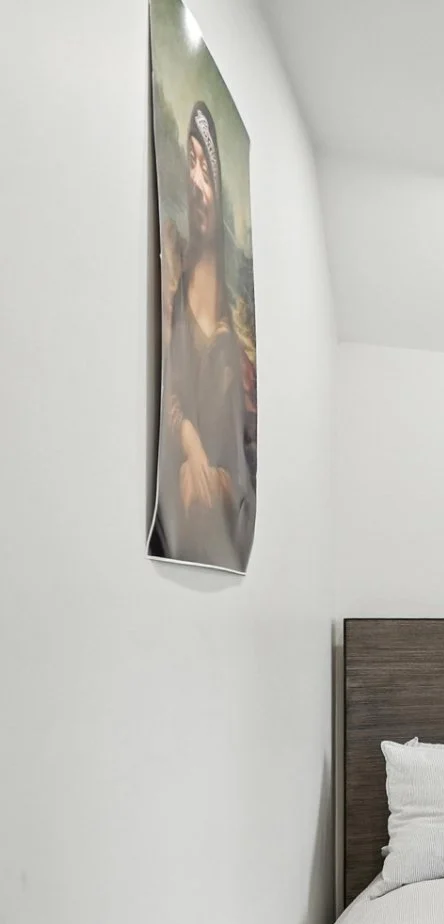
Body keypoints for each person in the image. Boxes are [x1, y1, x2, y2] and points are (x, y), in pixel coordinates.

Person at [153, 101, 255, 572]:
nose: (195, 183)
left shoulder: (239, 321)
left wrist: (223, 483)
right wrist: (191, 441)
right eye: (188, 161)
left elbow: (245, 439)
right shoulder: (172, 272)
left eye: (204, 166)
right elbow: (169, 388)